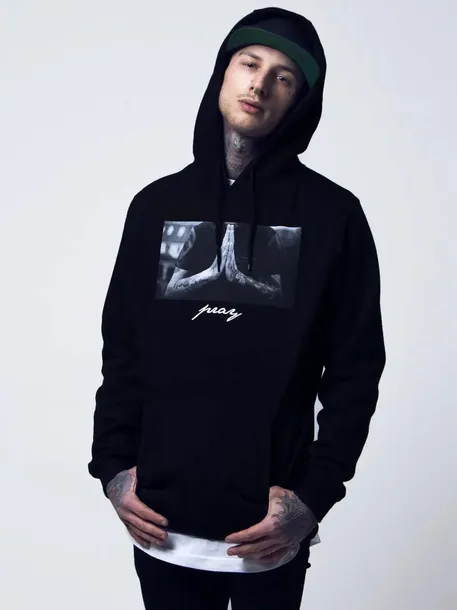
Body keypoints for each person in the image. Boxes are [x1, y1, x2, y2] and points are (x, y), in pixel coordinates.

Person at [88, 6, 386, 610]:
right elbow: (123, 350)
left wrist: (313, 497)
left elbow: (356, 370)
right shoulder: (155, 206)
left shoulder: (334, 216)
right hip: (162, 530)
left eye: (283, 77)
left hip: (267, 535)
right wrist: (113, 468)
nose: (260, 84)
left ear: (300, 101)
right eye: (249, 63)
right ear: (223, 72)